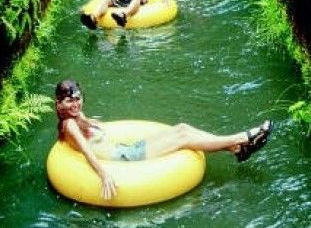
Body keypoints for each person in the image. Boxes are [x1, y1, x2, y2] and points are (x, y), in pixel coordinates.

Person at [55, 79, 273, 201]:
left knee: (182, 128)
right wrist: (104, 175)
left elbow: (95, 128)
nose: (75, 104)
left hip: (126, 149)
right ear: (59, 103)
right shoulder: (70, 125)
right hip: (126, 159)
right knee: (184, 137)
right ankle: (243, 138)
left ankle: (236, 149)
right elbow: (86, 150)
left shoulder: (78, 117)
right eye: (68, 101)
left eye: (77, 98)